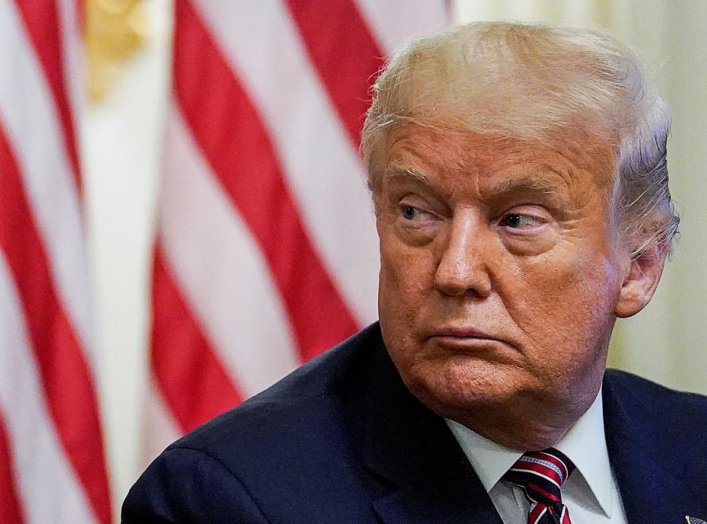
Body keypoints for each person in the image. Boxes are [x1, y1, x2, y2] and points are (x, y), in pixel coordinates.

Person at [123, 21, 707, 523]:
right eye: (416, 212)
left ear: (639, 267)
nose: (455, 272)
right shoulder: (230, 500)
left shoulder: (694, 446)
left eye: (518, 221)